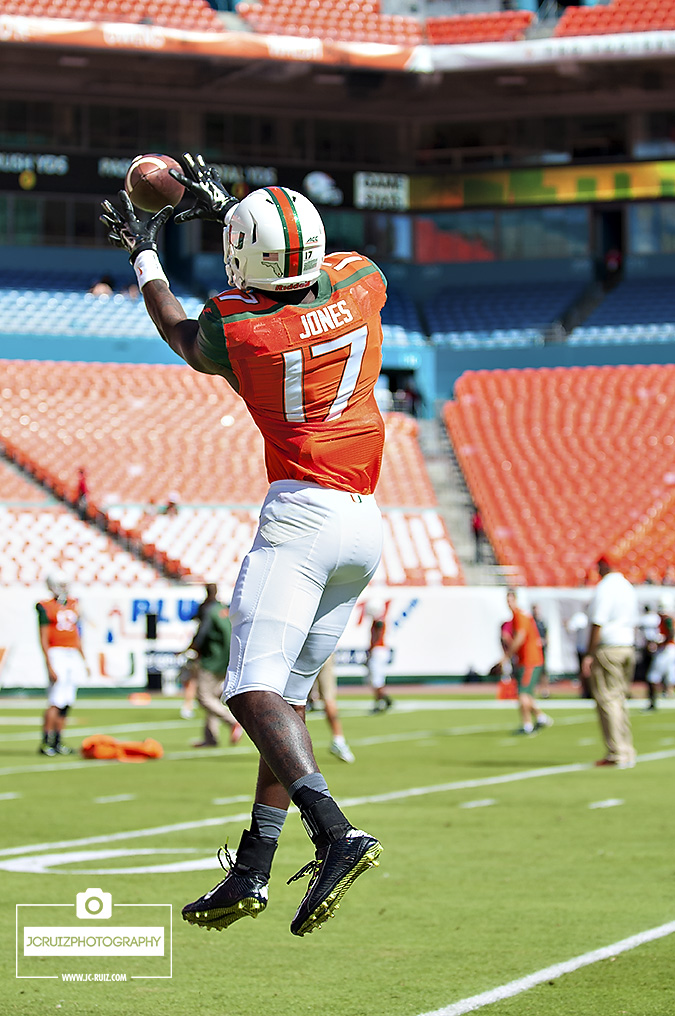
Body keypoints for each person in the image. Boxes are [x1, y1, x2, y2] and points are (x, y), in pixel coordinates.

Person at [101, 153, 385, 938]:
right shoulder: (364, 281)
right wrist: (235, 209)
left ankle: (335, 832)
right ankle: (252, 870)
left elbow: (182, 333)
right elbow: (311, 272)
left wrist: (144, 250)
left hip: (301, 515)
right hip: (366, 522)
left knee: (247, 692)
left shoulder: (244, 328)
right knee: (284, 703)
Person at [581, 555, 638, 768]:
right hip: (627, 645)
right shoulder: (627, 586)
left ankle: (617, 752)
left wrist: (589, 653)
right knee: (619, 699)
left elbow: (598, 622)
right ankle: (627, 748)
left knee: (608, 699)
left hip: (610, 647)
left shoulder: (605, 588)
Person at [37, 572, 89, 756]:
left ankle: (58, 741)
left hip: (72, 653)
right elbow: (43, 637)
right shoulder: (45, 607)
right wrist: (49, 663)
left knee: (67, 701)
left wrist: (83, 658)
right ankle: (46, 742)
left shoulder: (74, 604)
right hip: (56, 652)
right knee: (55, 699)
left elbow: (77, 633)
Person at [189, 594, 243, 748]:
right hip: (227, 659)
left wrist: (193, 648)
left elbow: (202, 634)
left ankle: (232, 722)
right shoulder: (225, 610)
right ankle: (211, 737)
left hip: (212, 660)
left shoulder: (210, 612)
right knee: (213, 698)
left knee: (204, 697)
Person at [502, 589, 552, 735]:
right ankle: (541, 717)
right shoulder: (517, 616)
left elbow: (520, 637)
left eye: (511, 600)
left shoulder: (520, 616)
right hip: (527, 659)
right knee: (527, 694)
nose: (509, 604)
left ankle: (527, 725)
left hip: (529, 660)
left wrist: (507, 655)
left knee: (522, 694)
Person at [311, 655, 355, 763]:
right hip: (321, 652)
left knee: (294, 699)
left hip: (304, 653)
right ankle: (338, 740)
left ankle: (338, 740)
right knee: (328, 699)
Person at [644, 598, 675, 712]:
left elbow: (670, 633)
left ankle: (653, 702)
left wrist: (661, 641)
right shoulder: (666, 618)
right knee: (670, 676)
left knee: (653, 676)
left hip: (666, 649)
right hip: (669, 649)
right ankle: (659, 698)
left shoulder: (667, 619)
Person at [367, 613, 392, 713]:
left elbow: (379, 629)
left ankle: (381, 702)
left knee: (376, 680)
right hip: (380, 651)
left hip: (378, 651)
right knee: (376, 679)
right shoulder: (378, 621)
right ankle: (385, 699)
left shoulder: (378, 621)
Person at [531, 603, 549, 698]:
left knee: (543, 671)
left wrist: (544, 642)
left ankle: (545, 690)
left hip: (542, 651)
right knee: (534, 671)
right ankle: (533, 690)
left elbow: (547, 636)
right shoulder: (531, 623)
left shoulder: (542, 623)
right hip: (534, 651)